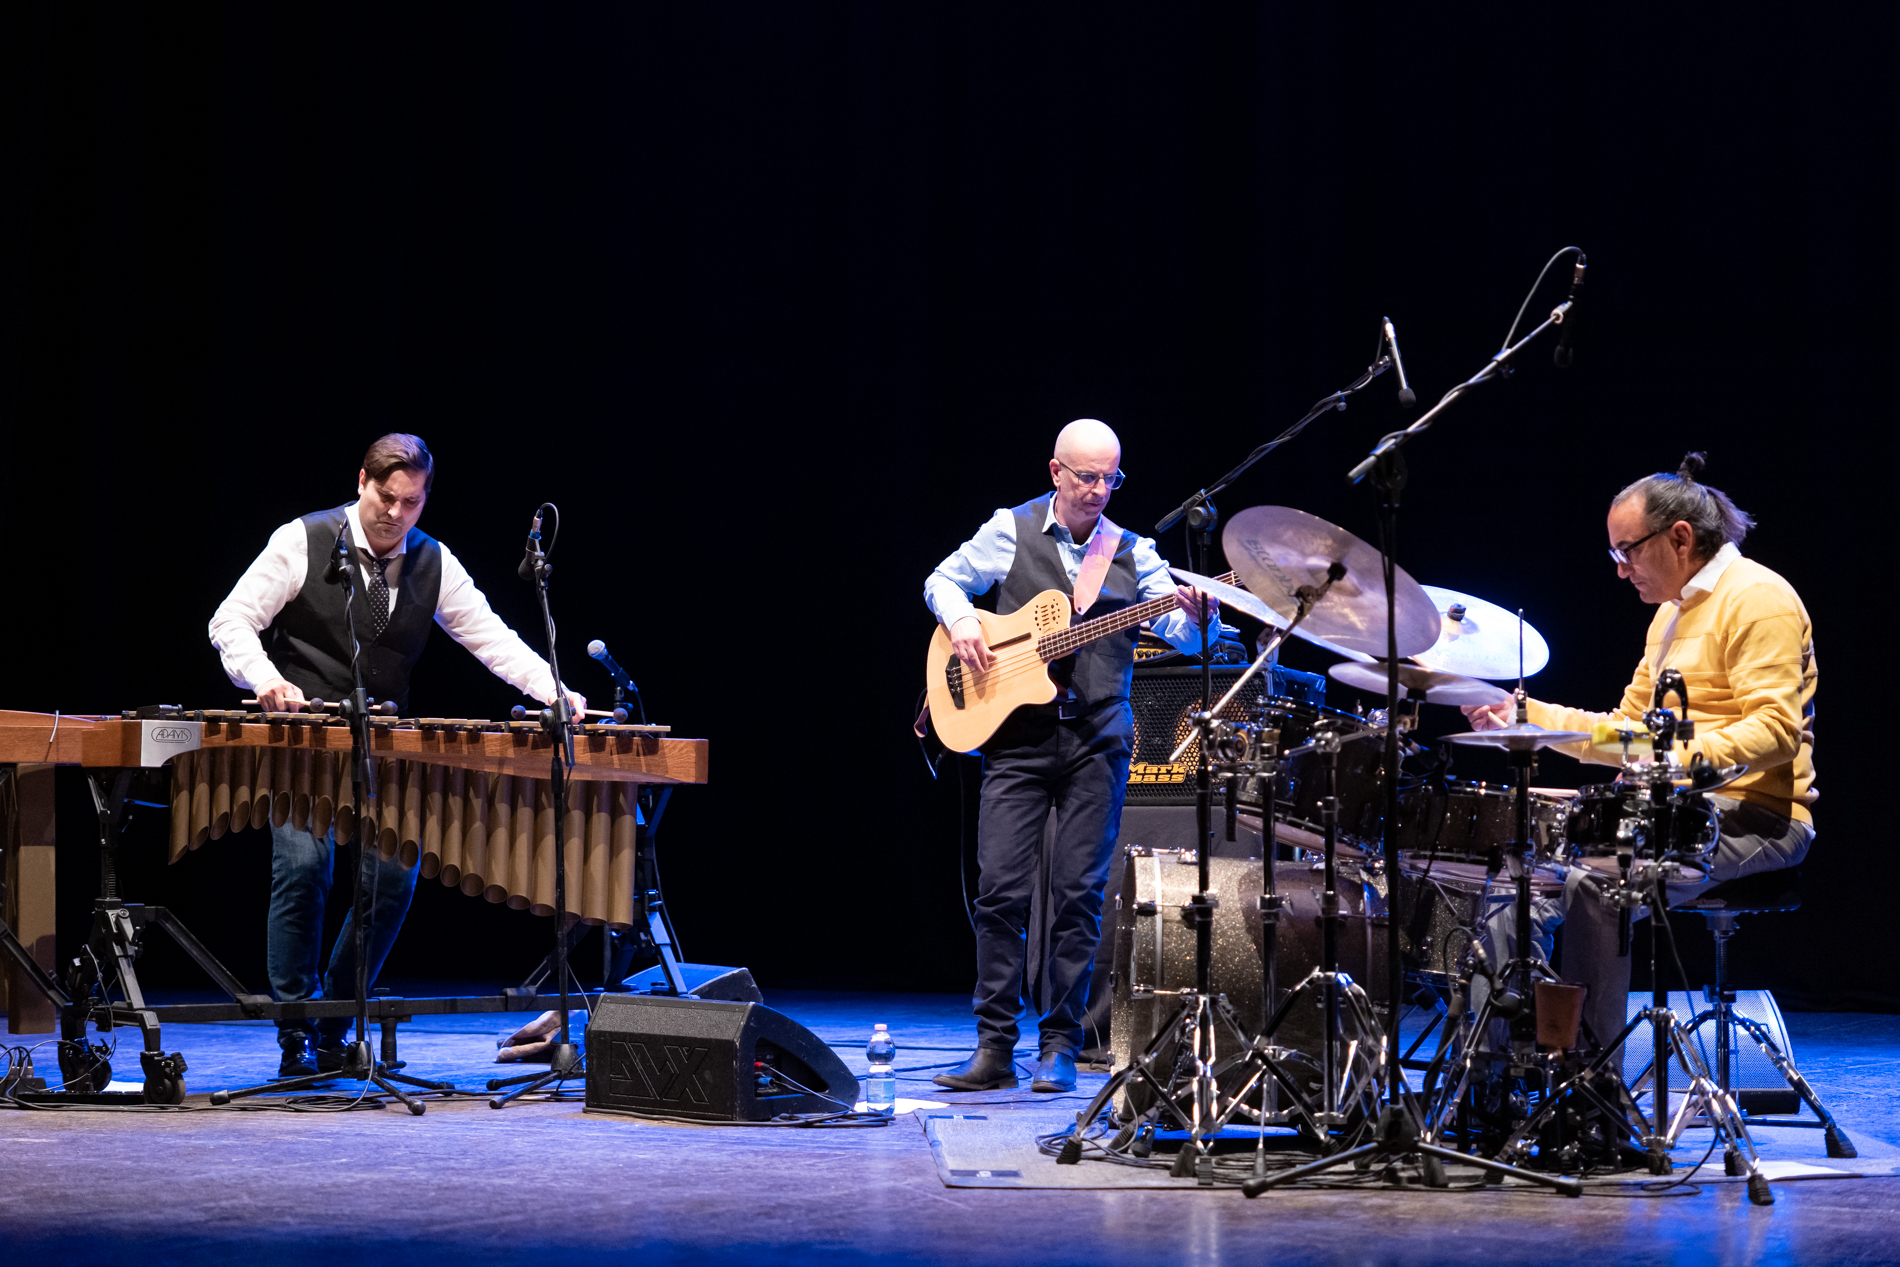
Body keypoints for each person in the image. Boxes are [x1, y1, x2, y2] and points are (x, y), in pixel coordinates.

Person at [209, 434, 584, 1077]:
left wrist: (554, 688)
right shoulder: (303, 539)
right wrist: (264, 678)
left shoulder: (434, 562)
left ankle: (335, 1012)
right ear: (362, 482)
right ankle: (297, 1030)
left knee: (393, 877)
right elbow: (230, 620)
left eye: (411, 503)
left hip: (381, 747)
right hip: (304, 741)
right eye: (386, 498)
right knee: (305, 870)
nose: (396, 513)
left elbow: (491, 637)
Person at [1462, 452, 1815, 1048]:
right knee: (1515, 879)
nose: (1621, 570)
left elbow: (1776, 733)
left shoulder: (1758, 598)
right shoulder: (1669, 619)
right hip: (1676, 814)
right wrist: (1528, 719)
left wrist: (1669, 763)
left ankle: (1594, 1096)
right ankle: (1490, 1078)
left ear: (1680, 537)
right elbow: (1633, 731)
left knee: (1597, 884)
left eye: (1627, 550)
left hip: (1759, 815)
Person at [922, 419, 1217, 1092]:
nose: (1097, 490)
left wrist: (1200, 613)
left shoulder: (1134, 550)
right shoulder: (1011, 527)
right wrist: (964, 619)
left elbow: (1185, 636)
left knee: (1078, 897)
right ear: (1055, 471)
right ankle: (994, 1044)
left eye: (1109, 478)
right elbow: (942, 579)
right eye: (1085, 476)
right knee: (1000, 891)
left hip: (1097, 739)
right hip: (1017, 740)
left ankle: (1059, 1043)